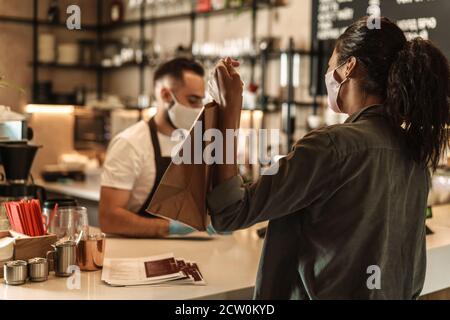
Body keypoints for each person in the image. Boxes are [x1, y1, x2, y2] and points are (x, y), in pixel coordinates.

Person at [207, 17, 450, 299]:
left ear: (349, 67)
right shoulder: (416, 154)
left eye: (330, 64)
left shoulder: (331, 146)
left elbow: (229, 212)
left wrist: (228, 111)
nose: (327, 74)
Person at [99, 57, 208, 238]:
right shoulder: (130, 144)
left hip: (186, 251)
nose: (199, 108)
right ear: (166, 95)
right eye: (193, 100)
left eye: (201, 101)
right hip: (135, 254)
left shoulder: (194, 142)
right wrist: (171, 228)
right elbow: (109, 218)